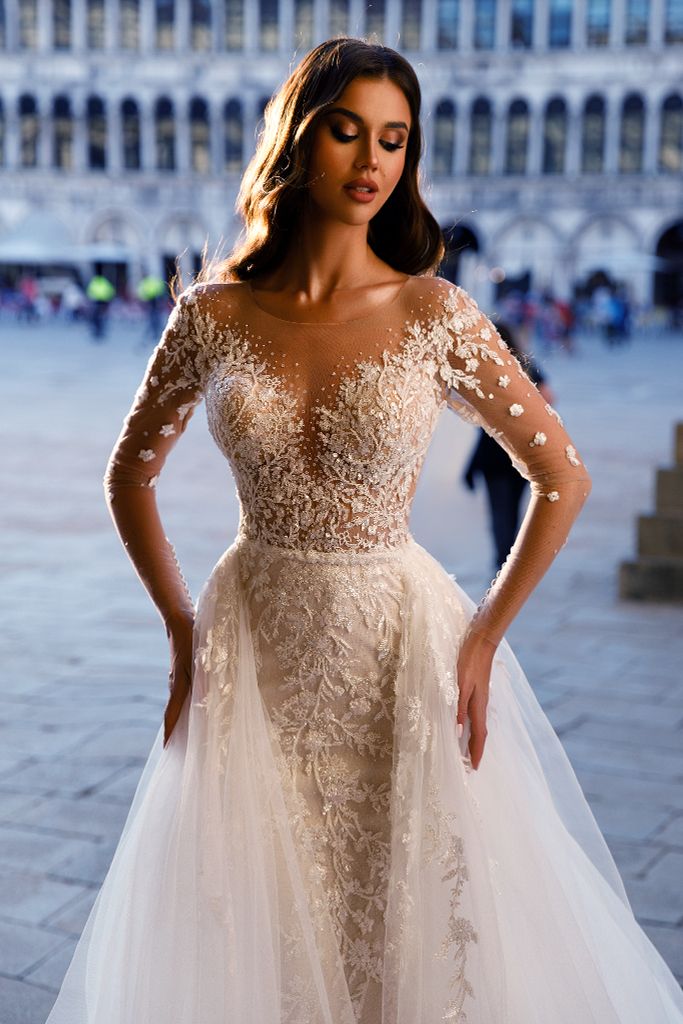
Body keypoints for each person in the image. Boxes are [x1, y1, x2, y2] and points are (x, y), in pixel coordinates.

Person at [44, 38, 683, 1024]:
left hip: (398, 639)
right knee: (255, 907)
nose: (372, 160)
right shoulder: (209, 313)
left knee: (403, 916)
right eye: (347, 132)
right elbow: (129, 472)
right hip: (252, 637)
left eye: (393, 139)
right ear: (300, 142)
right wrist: (179, 627)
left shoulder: (433, 310)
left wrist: (482, 634)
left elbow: (560, 477)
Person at [462, 321, 555, 571]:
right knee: (513, 511)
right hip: (525, 451)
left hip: (494, 454)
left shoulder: (485, 370)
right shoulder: (527, 366)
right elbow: (549, 398)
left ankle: (504, 563)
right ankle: (511, 560)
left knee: (500, 514)